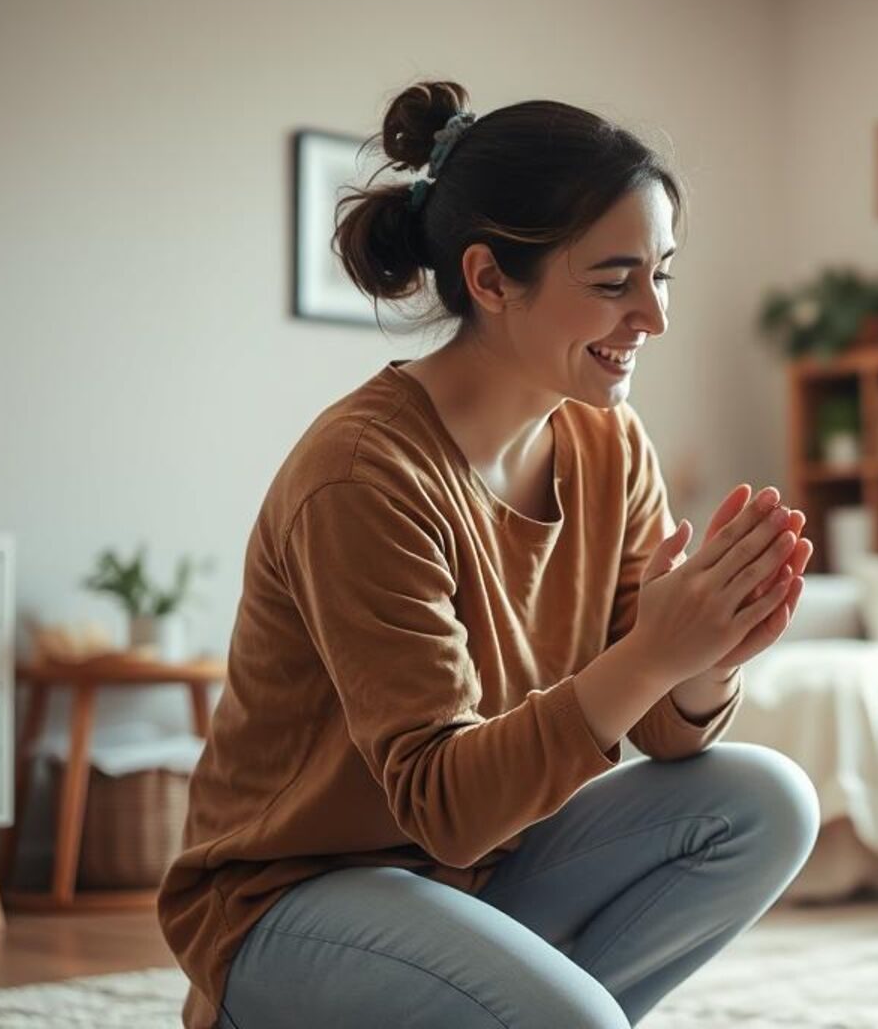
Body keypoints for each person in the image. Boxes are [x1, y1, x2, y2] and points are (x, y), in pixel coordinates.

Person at [158, 80, 819, 1029]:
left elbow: (666, 737)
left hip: (482, 877)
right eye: (612, 281)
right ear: (490, 280)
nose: (654, 317)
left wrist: (708, 662)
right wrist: (652, 653)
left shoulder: (608, 441)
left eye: (661, 273)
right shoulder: (362, 476)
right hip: (290, 903)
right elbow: (443, 805)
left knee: (767, 801)